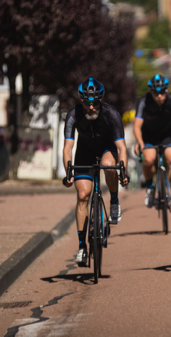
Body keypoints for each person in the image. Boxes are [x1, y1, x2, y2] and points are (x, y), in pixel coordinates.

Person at [63, 78, 129, 267]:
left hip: (107, 149)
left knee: (109, 166)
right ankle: (82, 246)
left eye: (95, 103)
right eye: (86, 102)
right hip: (84, 152)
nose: (91, 107)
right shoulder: (73, 114)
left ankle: (114, 201)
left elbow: (121, 147)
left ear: (101, 100)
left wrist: (122, 170)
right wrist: (69, 171)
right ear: (81, 100)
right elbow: (67, 148)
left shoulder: (111, 114)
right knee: (83, 195)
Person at [133, 74, 171, 210]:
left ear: (167, 91)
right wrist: (140, 142)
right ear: (151, 92)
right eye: (156, 93)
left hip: (167, 135)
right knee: (148, 160)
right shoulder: (143, 101)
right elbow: (137, 125)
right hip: (149, 136)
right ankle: (150, 188)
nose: (159, 96)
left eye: (162, 92)